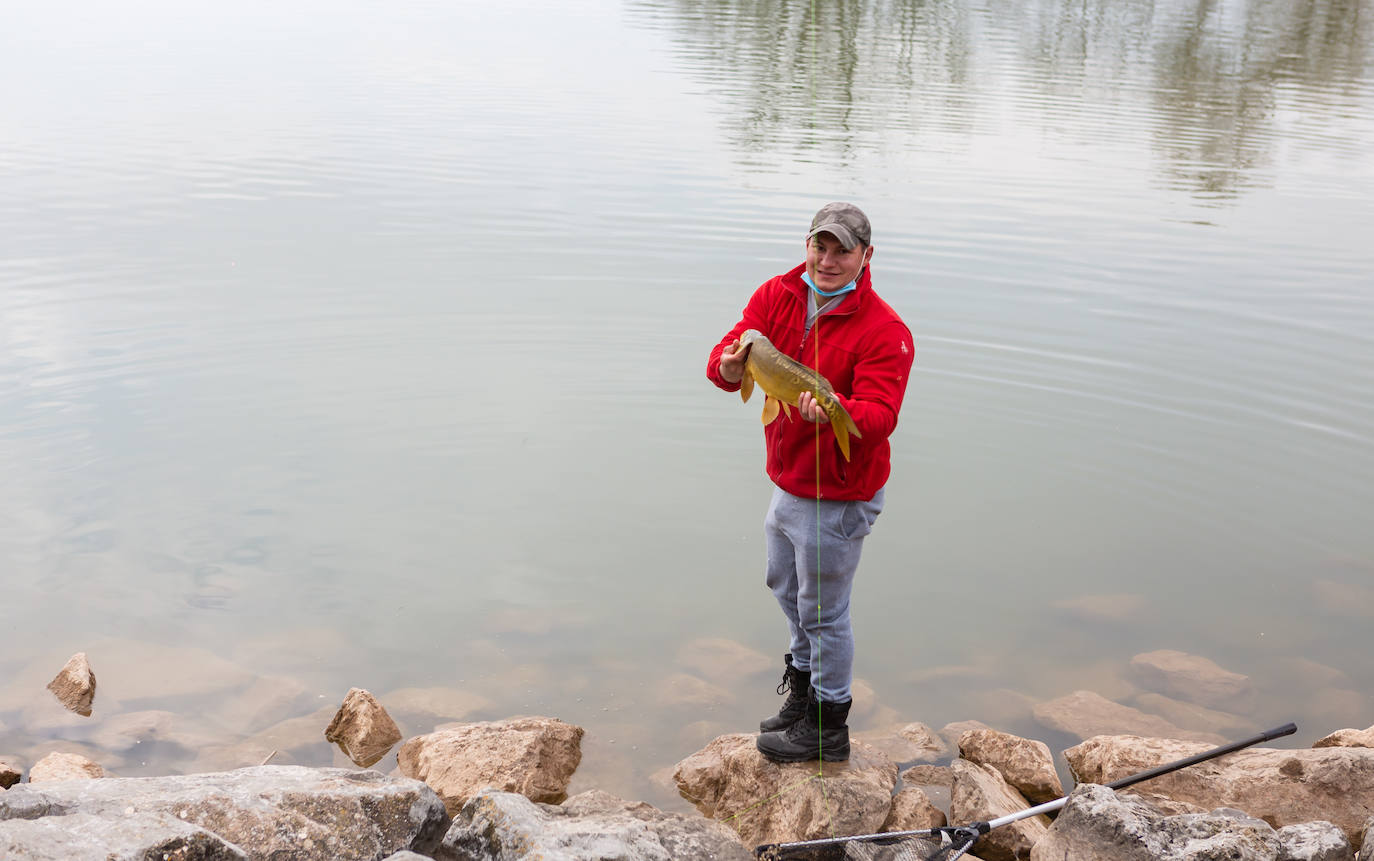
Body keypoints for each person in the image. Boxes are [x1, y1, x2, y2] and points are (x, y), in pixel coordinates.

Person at [706, 202, 913, 763]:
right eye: (819, 246)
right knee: (785, 587)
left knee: (824, 610)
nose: (827, 260)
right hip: (789, 480)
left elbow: (880, 416)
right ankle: (800, 694)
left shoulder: (885, 330)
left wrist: (835, 411)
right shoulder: (775, 296)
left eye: (842, 250)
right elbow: (723, 362)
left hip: (840, 494)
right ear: (806, 245)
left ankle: (827, 723)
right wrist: (728, 367)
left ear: (865, 257)